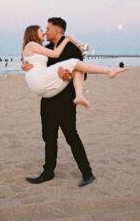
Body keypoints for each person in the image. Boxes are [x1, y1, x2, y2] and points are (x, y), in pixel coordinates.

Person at [22, 17, 127, 187]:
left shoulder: (72, 49)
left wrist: (68, 76)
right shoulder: (45, 48)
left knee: (71, 136)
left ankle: (87, 173)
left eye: (48, 29)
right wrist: (26, 66)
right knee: (49, 137)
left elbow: (82, 73)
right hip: (48, 99)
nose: (46, 32)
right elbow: (36, 65)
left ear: (57, 30)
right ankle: (48, 173)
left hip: (65, 100)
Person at [22, 25, 127, 108]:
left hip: (41, 88)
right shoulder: (31, 44)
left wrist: (77, 50)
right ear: (33, 33)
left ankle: (79, 96)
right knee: (73, 62)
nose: (44, 33)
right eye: (41, 30)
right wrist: (66, 40)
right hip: (39, 79)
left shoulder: (37, 47)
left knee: (77, 69)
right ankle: (108, 71)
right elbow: (56, 54)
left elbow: (47, 55)